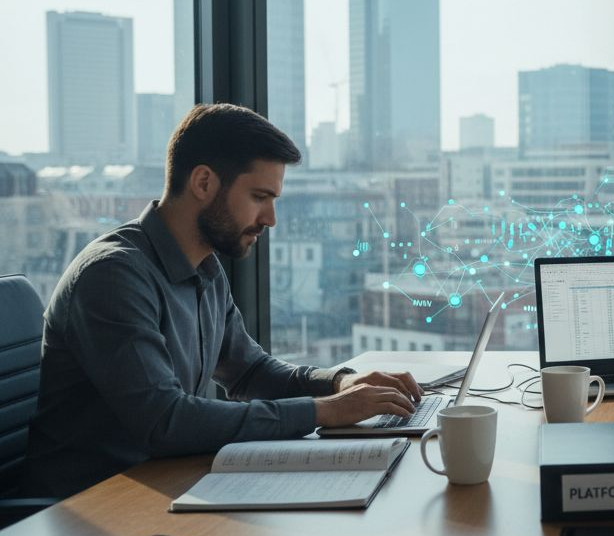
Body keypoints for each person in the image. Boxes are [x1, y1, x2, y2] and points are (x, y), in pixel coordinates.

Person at [24, 104, 421, 497]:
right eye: (259, 196)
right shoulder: (113, 276)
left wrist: (339, 383)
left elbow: (250, 372)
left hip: (165, 486)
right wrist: (325, 411)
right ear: (203, 183)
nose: (270, 219)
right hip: (93, 511)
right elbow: (166, 422)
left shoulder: (205, 268)